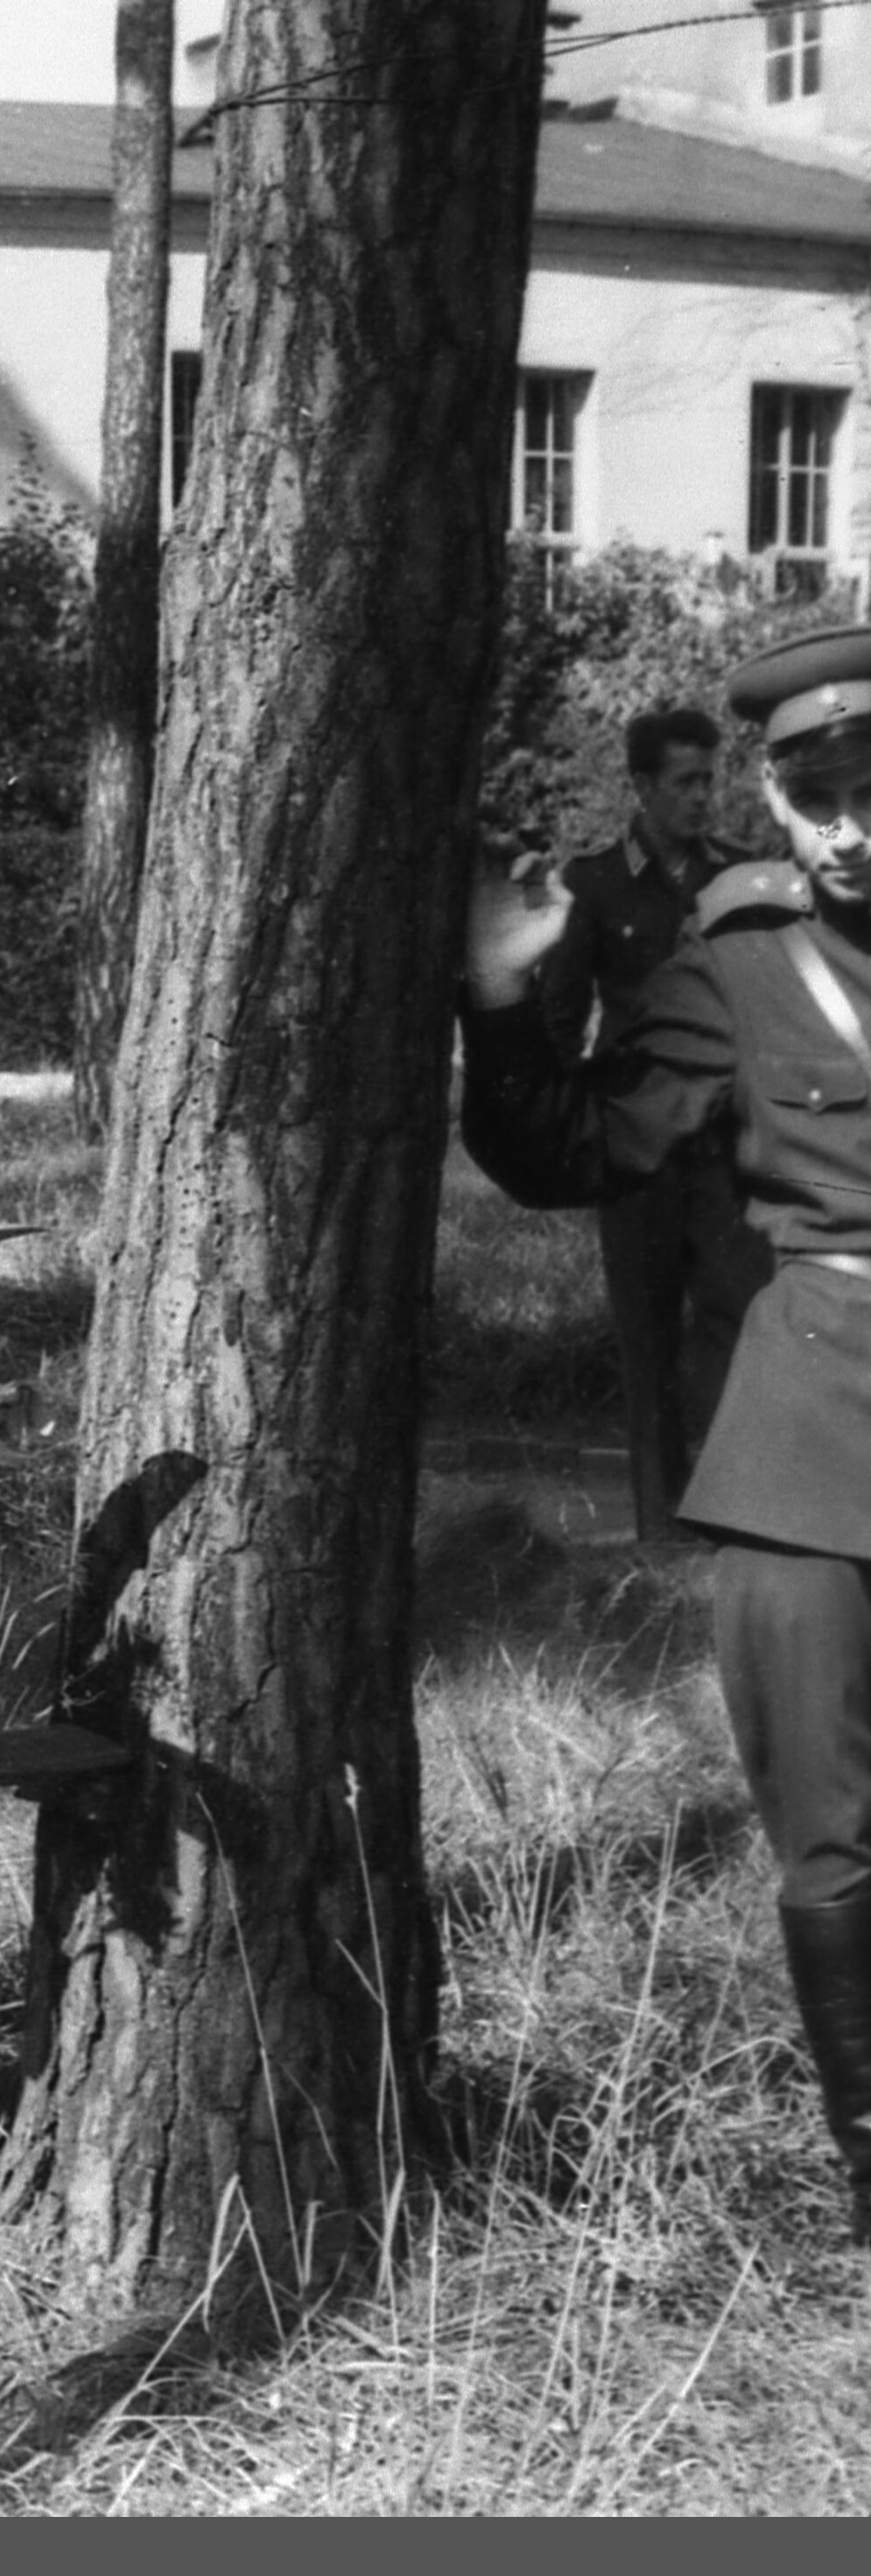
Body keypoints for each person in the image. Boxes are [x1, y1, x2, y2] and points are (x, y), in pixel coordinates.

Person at [460, 626, 871, 2248]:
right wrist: (506, 987)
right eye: (819, 796)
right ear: (777, 801)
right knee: (828, 1824)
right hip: (813, 1424)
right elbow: (571, 1150)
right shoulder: (741, 967)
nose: (850, 827)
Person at [534, 705, 770, 1538]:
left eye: (711, 779)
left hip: (723, 1150)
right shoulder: (594, 885)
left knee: (741, 1325)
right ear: (641, 787)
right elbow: (561, 1026)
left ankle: (733, 1521)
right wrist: (573, 1137)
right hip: (635, 1155)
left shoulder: (739, 879)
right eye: (685, 783)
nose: (704, 798)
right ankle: (658, 1543)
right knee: (646, 1347)